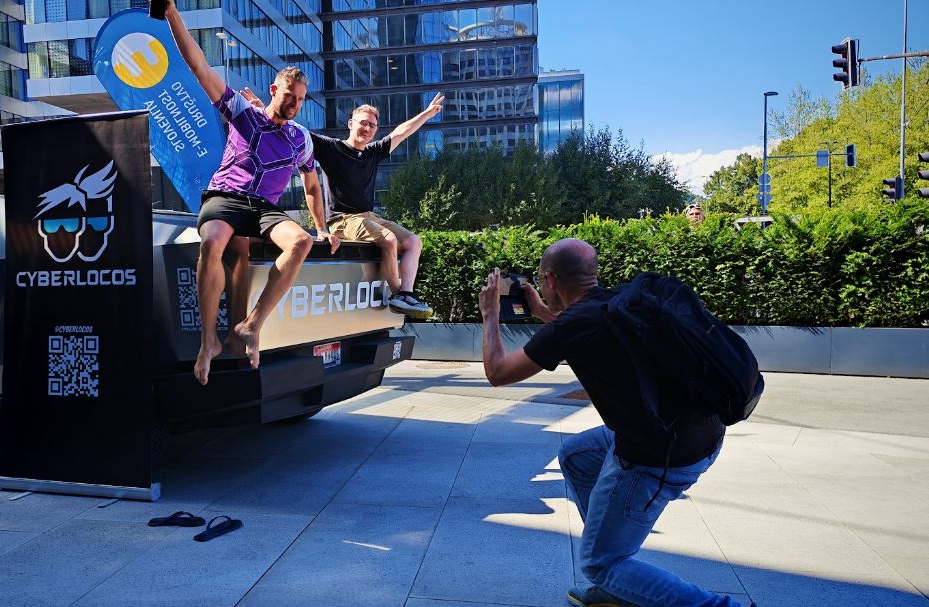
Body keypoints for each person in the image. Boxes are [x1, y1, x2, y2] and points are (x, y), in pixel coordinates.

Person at [478, 239, 745, 607]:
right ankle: (619, 576)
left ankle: (626, 576)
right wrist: (541, 311)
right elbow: (574, 329)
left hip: (658, 453)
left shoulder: (574, 324)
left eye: (541, 280)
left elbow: (497, 372)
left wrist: (490, 314)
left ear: (551, 280)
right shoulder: (617, 301)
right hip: (702, 433)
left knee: (599, 564)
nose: (540, 287)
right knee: (576, 455)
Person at [163, 0, 340, 384]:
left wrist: (321, 227)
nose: (294, 104)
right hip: (225, 196)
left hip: (262, 208)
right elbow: (199, 67)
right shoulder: (243, 111)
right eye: (289, 95)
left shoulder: (301, 140)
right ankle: (208, 341)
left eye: (300, 99)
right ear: (274, 89)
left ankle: (251, 325)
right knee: (212, 243)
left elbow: (312, 184)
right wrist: (172, 13)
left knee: (300, 243)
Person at [239, 89, 443, 318]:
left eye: (372, 126)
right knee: (389, 240)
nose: (367, 129)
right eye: (363, 123)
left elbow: (401, 132)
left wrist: (427, 114)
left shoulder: (374, 152)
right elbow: (294, 129)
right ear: (350, 124)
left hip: (370, 217)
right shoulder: (332, 148)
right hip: (343, 220)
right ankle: (398, 296)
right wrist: (263, 110)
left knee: (414, 242)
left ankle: (407, 293)